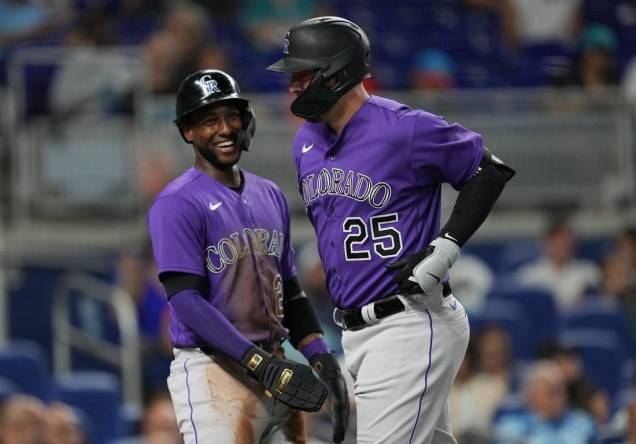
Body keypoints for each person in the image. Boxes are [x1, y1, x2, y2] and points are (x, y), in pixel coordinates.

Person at [267, 16, 515, 444]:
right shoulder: (305, 142)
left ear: (336, 72)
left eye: (302, 74)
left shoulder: (404, 127)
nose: (292, 86)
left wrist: (445, 248)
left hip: (410, 322)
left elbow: (487, 171)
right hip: (356, 333)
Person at [146, 69, 349, 444]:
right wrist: (257, 362)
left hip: (277, 366)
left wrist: (322, 358)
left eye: (231, 116)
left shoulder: (270, 194)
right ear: (187, 132)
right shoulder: (176, 202)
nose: (224, 128)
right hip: (214, 371)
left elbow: (289, 289)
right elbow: (186, 300)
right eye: (208, 120)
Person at [494, 360, 596, 444]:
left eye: (561, 392)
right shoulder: (510, 427)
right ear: (530, 396)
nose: (558, 399)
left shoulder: (583, 423)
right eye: (551, 392)